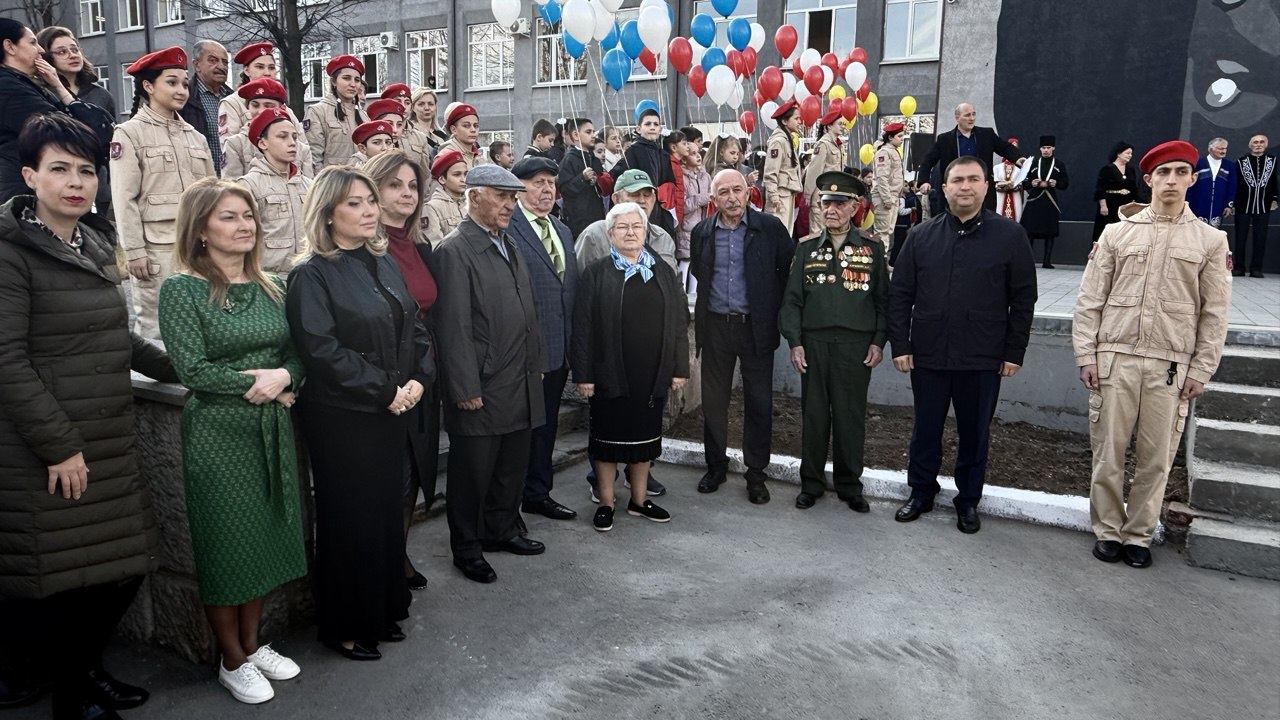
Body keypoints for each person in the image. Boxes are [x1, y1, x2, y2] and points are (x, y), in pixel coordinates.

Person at [0, 112, 178, 720]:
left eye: (85, 170)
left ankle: (85, 673)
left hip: (106, 437)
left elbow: (115, 338)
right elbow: (6, 359)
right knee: (60, 581)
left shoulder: (95, 243)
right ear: (30, 176)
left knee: (120, 569)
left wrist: (183, 367)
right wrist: (58, 446)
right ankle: (71, 694)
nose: (76, 182)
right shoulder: (11, 252)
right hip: (50, 447)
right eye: (59, 169)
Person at [158, 178, 307, 704]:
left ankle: (253, 642)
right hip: (218, 436)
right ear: (200, 229)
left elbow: (298, 355)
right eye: (229, 216)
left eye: (248, 215)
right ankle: (231, 659)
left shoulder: (273, 285)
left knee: (263, 540)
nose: (245, 225)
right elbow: (192, 369)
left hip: (271, 429)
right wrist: (261, 384)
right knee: (225, 547)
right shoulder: (182, 290)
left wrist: (285, 377)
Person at [285, 166, 434, 661]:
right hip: (344, 416)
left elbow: (412, 325)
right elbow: (321, 350)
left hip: (392, 406)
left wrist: (419, 378)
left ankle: (382, 608)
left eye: (371, 200)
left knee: (385, 513)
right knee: (350, 517)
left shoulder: (382, 260)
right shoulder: (311, 273)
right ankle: (345, 625)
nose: (369, 210)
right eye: (355, 203)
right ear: (327, 213)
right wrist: (384, 390)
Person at [1072, 140, 1232, 568]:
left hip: (1170, 366)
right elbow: (1090, 299)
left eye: (1181, 172)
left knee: (1156, 459)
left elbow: (1214, 313)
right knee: (1108, 453)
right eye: (1163, 173)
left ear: (1193, 179)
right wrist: (1086, 354)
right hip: (1116, 358)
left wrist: (1202, 368)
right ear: (1149, 179)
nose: (1172, 180)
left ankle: (1139, 535)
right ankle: (1108, 529)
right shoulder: (1117, 232)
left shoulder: (1211, 241)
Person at [887, 156, 1038, 534]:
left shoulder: (1010, 236)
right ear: (945, 188)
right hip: (929, 353)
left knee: (975, 432)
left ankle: (968, 500)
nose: (965, 186)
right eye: (957, 180)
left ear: (986, 186)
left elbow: (1023, 299)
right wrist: (900, 345)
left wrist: (1013, 351)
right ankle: (921, 491)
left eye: (973, 179)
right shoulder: (921, 236)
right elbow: (900, 295)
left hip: (983, 356)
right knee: (925, 428)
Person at [431, 165, 548, 584]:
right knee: (472, 474)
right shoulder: (454, 250)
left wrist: (535, 365)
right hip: (482, 383)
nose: (509, 205)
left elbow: (528, 312)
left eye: (513, 197)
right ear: (474, 195)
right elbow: (453, 327)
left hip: (518, 377)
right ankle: (466, 548)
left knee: (510, 466)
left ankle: (501, 530)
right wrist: (464, 386)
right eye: (501, 196)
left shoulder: (507, 242)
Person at [572, 202, 689, 532]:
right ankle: (606, 502)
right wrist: (583, 375)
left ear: (645, 231)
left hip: (651, 373)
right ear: (610, 235)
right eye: (622, 227)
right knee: (607, 442)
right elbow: (582, 327)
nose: (630, 232)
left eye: (636, 226)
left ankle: (639, 500)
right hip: (609, 372)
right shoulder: (597, 273)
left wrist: (679, 367)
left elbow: (678, 321)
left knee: (644, 439)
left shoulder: (662, 271)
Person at [780, 170, 887, 512]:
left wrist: (879, 341)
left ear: (855, 207)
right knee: (814, 416)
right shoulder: (807, 248)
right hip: (814, 345)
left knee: (849, 416)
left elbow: (883, 302)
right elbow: (792, 302)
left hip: (856, 348)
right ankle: (811, 484)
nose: (831, 210)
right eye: (826, 203)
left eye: (840, 204)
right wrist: (795, 342)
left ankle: (849, 485)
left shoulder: (872, 248)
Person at [689, 169, 794, 504]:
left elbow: (784, 272)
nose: (732, 198)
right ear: (713, 198)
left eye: (737, 190)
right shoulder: (703, 232)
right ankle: (715, 467)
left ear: (749, 193)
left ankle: (756, 475)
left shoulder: (770, 229)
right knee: (714, 402)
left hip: (755, 328)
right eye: (724, 192)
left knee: (759, 403)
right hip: (716, 327)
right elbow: (699, 271)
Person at [362, 150, 441, 593]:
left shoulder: (420, 247)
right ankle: (383, 564)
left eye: (412, 186)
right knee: (389, 478)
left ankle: (400, 552)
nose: (407, 194)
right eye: (394, 185)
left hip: (422, 373)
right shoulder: (364, 250)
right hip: (383, 379)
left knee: (414, 472)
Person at [111, 46, 217, 340]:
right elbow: (124, 198)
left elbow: (212, 196)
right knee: (157, 327)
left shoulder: (196, 137)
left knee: (204, 321)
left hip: (199, 247)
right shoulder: (129, 133)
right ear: (148, 86)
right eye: (171, 82)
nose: (181, 90)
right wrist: (134, 252)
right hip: (157, 250)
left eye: (184, 83)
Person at [509, 156, 580, 521]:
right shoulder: (509, 228)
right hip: (524, 352)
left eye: (551, 182)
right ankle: (509, 502)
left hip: (558, 348)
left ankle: (538, 493)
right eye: (537, 182)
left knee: (547, 425)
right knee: (521, 431)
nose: (547, 189)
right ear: (518, 189)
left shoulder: (562, 229)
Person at [1, 19, 113, 202]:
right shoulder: (8, 87)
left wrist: (58, 86)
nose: (40, 50)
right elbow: (75, 134)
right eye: (32, 42)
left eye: (75, 49)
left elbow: (102, 131)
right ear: (10, 47)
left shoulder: (23, 83)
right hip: (23, 198)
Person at [35, 26, 116, 219]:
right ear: (47, 59)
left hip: (99, 182)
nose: (72, 55)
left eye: (74, 49)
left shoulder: (100, 94)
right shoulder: (42, 94)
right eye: (62, 51)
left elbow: (112, 137)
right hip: (59, 181)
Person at [235, 107, 311, 274]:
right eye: (282, 136)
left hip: (308, 276)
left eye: (294, 137)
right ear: (263, 143)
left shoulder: (309, 185)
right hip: (269, 278)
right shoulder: (249, 185)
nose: (292, 143)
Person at [916, 103, 1024, 212]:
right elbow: (928, 160)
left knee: (984, 219)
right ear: (957, 118)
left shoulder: (986, 134)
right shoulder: (945, 139)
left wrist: (1017, 158)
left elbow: (1005, 148)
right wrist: (924, 181)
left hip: (981, 190)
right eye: (967, 115)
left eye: (973, 114)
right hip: (956, 190)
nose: (972, 118)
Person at [575, 168, 677, 272]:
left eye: (647, 195)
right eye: (635, 194)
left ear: (654, 199)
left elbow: (674, 279)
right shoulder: (595, 235)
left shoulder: (663, 238)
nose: (642, 200)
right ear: (616, 199)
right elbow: (576, 278)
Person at [220, 77, 313, 180]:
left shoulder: (302, 149)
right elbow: (231, 186)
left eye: (268, 106)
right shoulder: (235, 145)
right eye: (255, 105)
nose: (261, 111)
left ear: (282, 109)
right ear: (248, 107)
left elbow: (309, 187)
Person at [620, 108, 678, 237]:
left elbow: (670, 181)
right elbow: (625, 178)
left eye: (656, 124)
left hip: (660, 207)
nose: (652, 127)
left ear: (660, 129)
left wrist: (665, 191)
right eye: (648, 124)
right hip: (640, 202)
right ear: (639, 129)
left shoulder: (663, 154)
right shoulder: (633, 151)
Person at [303, 54, 366, 173]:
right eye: (346, 78)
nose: (353, 84)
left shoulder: (364, 116)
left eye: (357, 80)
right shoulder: (318, 112)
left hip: (361, 180)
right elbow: (314, 158)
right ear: (333, 81)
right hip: (332, 181)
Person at [179, 40, 232, 174]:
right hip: (200, 179)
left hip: (232, 180)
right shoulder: (184, 99)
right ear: (197, 65)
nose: (221, 66)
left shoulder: (234, 99)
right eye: (213, 60)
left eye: (225, 62)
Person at [1019, 135, 1069, 268]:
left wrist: (1056, 183)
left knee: (1050, 232)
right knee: (1030, 230)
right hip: (1035, 200)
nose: (1046, 150)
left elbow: (1065, 183)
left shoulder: (1059, 164)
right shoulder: (1033, 163)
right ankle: (1029, 260)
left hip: (1050, 201)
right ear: (1040, 149)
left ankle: (1047, 261)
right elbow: (1024, 182)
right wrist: (1031, 183)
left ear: (1053, 148)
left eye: (1048, 147)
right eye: (1043, 148)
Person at [557, 117, 610, 240]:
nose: (593, 136)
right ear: (576, 135)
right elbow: (564, 190)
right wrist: (582, 178)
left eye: (593, 132)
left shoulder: (593, 158)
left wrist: (598, 182)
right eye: (588, 132)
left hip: (596, 215)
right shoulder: (569, 160)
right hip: (579, 221)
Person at [1234, 134, 1277, 278]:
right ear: (1250, 145)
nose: (1258, 144)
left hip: (1263, 204)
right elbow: (1236, 183)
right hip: (1243, 205)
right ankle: (1239, 267)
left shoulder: (1272, 161)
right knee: (1240, 237)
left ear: (1266, 144)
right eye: (1255, 142)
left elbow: (1274, 181)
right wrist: (1233, 203)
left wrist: (1275, 199)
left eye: (1261, 142)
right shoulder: (1241, 162)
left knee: (1260, 237)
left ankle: (1256, 268)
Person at [803, 108, 849, 237]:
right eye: (839, 124)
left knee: (831, 232)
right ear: (829, 126)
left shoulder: (838, 145)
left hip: (833, 194)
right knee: (818, 232)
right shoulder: (823, 145)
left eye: (843, 124)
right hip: (821, 194)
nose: (842, 127)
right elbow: (814, 171)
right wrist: (808, 194)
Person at [217, 42, 277, 137]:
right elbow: (228, 144)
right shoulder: (232, 103)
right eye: (260, 67)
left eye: (271, 68)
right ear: (246, 71)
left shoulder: (280, 103)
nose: (267, 73)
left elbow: (300, 142)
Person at [763, 100, 804, 235]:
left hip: (787, 193)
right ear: (785, 121)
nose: (799, 122)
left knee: (786, 233)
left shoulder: (787, 140)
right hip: (780, 195)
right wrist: (774, 197)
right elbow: (770, 173)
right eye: (796, 118)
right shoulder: (778, 142)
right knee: (778, 234)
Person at [1091, 141, 1142, 242]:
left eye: (1131, 154)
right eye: (1127, 153)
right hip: (1110, 204)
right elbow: (1100, 189)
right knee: (1106, 229)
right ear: (1119, 153)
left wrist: (1134, 204)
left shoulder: (1131, 170)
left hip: (1125, 206)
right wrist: (1103, 206)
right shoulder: (1107, 169)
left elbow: (1133, 188)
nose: (1130, 156)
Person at [679, 143, 712, 292]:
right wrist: (702, 199)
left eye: (698, 152)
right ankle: (681, 291)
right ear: (684, 159)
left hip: (703, 224)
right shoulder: (681, 178)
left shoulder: (706, 177)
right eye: (693, 153)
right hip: (687, 226)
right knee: (686, 259)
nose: (698, 156)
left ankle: (693, 292)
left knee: (697, 260)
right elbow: (682, 206)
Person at [1188, 138, 1238, 232]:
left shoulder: (1229, 166)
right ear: (1211, 149)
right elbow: (1190, 185)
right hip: (1198, 204)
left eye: (1225, 148)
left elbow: (1232, 186)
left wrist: (1229, 205)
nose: (1223, 151)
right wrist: (1187, 202)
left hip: (1218, 206)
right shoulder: (1198, 164)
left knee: (1214, 233)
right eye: (1220, 149)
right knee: (1197, 232)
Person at [870, 122, 906, 247]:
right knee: (882, 233)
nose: (902, 139)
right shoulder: (884, 152)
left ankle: (883, 257)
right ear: (890, 137)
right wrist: (886, 198)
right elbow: (882, 178)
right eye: (899, 136)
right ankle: (881, 259)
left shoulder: (893, 151)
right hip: (884, 197)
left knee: (887, 231)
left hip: (892, 196)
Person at [423, 149, 467, 247]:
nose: (463, 179)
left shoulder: (470, 203)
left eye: (465, 174)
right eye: (457, 175)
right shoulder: (432, 208)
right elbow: (435, 246)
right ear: (442, 179)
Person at [403, 86, 445, 169]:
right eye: (421, 104)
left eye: (430, 104)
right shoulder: (408, 133)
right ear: (413, 107)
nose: (427, 108)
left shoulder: (442, 135)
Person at [437, 103, 482, 175]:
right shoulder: (447, 155)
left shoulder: (479, 157)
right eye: (466, 126)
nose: (473, 130)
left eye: (476, 126)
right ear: (454, 130)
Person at [993, 138, 1025, 221]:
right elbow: (995, 184)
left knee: (1017, 219)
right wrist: (1002, 186)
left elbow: (1022, 185)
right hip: (1000, 197)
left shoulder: (1021, 168)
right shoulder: (997, 168)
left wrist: (1015, 186)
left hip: (1016, 196)